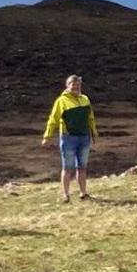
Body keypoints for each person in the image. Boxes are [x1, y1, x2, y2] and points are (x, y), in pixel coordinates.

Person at [40, 75, 98, 203]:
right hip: (68, 138)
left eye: (78, 85)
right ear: (68, 86)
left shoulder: (85, 99)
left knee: (82, 167)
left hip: (84, 137)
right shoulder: (61, 101)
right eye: (73, 85)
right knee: (67, 168)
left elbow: (91, 118)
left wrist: (94, 133)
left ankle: (83, 193)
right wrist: (47, 136)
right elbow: (53, 119)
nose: (76, 87)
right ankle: (66, 195)